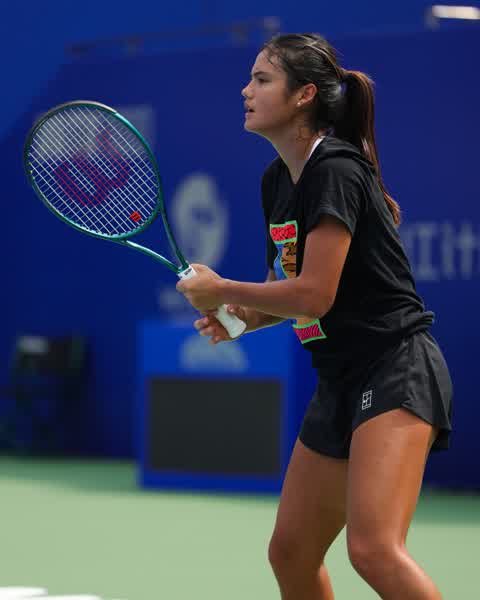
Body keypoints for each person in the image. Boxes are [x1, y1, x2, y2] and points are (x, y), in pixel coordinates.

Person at [176, 33, 453, 600]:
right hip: (339, 379)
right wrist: (242, 316)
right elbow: (285, 289)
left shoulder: (337, 170)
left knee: (373, 549)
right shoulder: (276, 180)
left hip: (395, 368)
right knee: (292, 552)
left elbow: (314, 296)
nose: (246, 90)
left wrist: (220, 286)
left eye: (262, 79)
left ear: (304, 95)